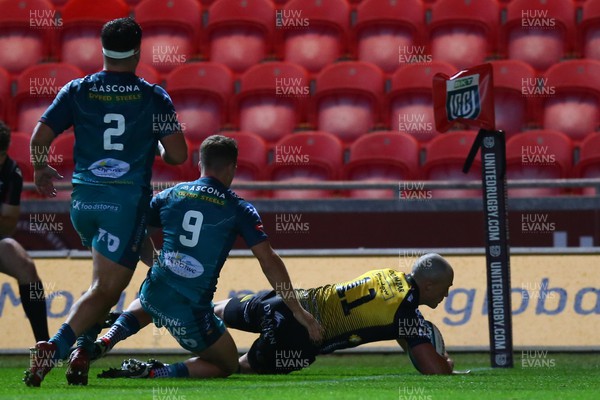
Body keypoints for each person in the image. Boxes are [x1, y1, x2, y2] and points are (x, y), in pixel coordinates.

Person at [24, 17, 188, 387]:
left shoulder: (78, 90)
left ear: (102, 49)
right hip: (124, 202)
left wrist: (40, 171)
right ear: (138, 50)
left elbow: (38, 136)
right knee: (106, 290)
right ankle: (55, 347)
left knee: (102, 281)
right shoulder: (152, 96)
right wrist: (158, 142)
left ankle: (82, 352)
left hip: (83, 202)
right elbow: (178, 155)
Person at [96, 134, 321, 380]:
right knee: (226, 363)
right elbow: (268, 261)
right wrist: (298, 311)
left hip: (155, 290)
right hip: (191, 308)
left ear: (200, 163)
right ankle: (153, 373)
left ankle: (107, 338)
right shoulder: (239, 209)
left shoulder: (170, 194)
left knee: (152, 300)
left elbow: (135, 236)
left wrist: (156, 262)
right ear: (233, 168)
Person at [96, 253, 455, 377]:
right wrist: (445, 363)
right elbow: (432, 368)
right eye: (446, 288)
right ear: (430, 285)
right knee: (229, 366)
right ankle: (155, 371)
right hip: (296, 339)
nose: (447, 294)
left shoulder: (385, 275)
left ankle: (119, 320)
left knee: (202, 308)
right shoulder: (408, 314)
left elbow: (379, 317)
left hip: (285, 302)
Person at [0, 121, 50, 344]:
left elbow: (8, 223)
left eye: (2, 154)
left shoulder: (11, 172)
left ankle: (44, 346)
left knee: (25, 267)